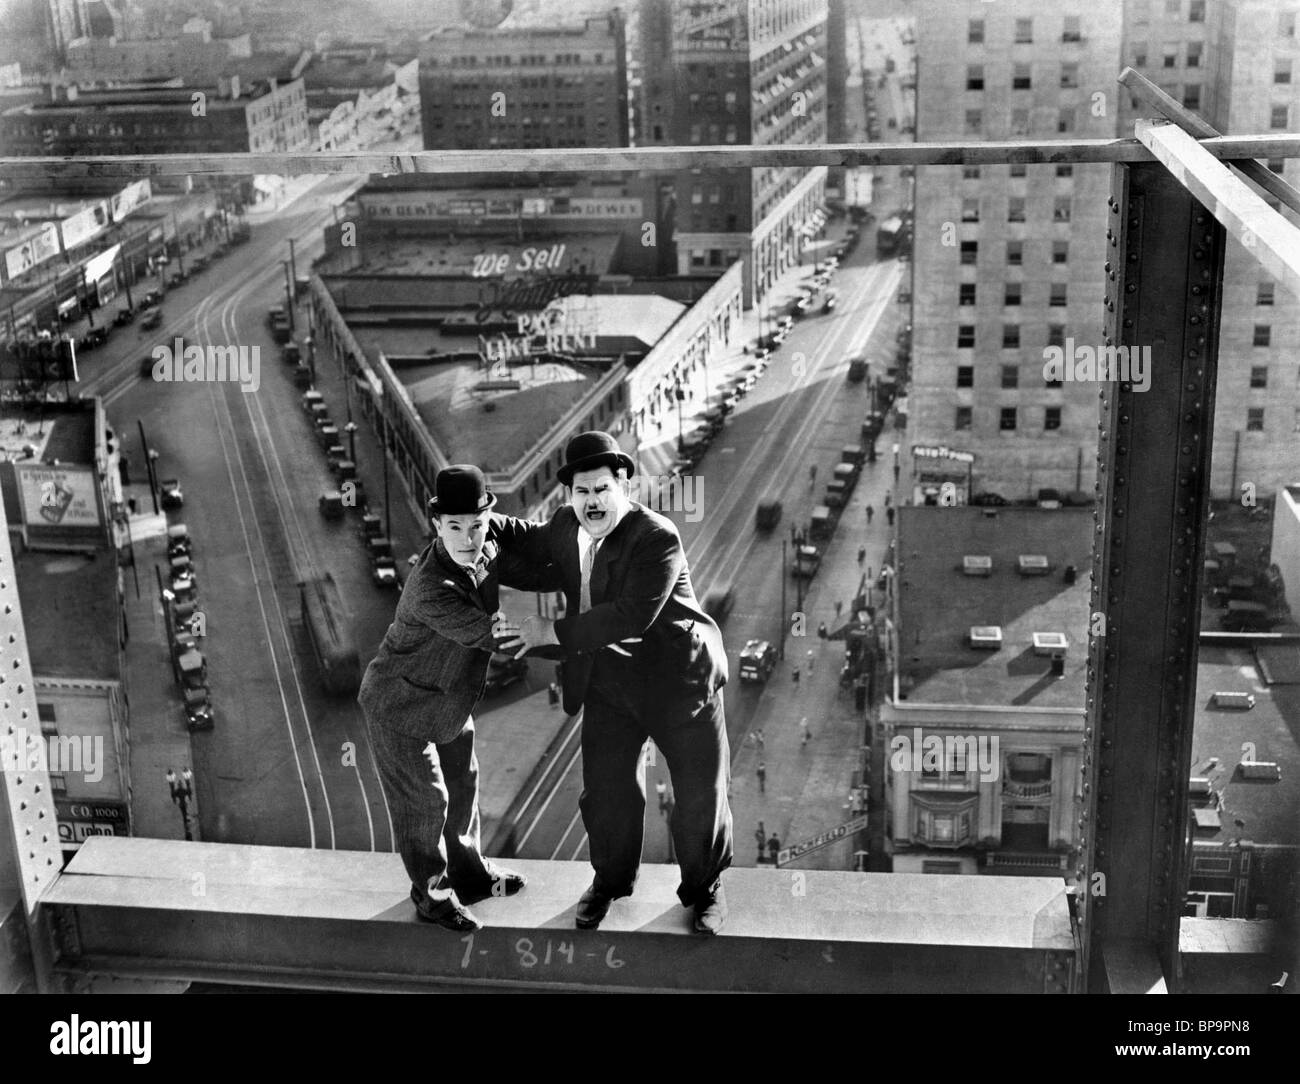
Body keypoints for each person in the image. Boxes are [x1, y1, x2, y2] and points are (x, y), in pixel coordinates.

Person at [495, 431, 732, 936]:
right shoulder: (566, 526)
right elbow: (522, 535)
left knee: (698, 796)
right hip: (610, 684)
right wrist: (473, 523)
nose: (592, 501)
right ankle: (610, 881)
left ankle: (705, 890)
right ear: (570, 497)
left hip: (677, 683)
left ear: (624, 486)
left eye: (602, 489)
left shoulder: (656, 538)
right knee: (606, 793)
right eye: (582, 492)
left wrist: (549, 633)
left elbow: (631, 615)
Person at [356, 465, 540, 932]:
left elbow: (529, 533)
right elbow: (496, 637)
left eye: (476, 525)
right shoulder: (430, 590)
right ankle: (432, 893)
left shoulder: (487, 537)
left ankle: (471, 874)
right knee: (427, 802)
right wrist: (579, 632)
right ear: (437, 527)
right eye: (454, 527)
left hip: (449, 700)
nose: (468, 538)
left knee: (464, 785)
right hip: (399, 707)